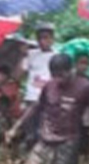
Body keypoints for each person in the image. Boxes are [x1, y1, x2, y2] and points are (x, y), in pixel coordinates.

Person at [13, 23, 57, 153]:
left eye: (47, 37)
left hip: (49, 100)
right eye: (41, 38)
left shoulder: (57, 56)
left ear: (52, 39)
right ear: (37, 40)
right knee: (30, 133)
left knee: (46, 132)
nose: (44, 41)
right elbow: (16, 76)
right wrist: (23, 55)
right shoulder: (31, 54)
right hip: (31, 99)